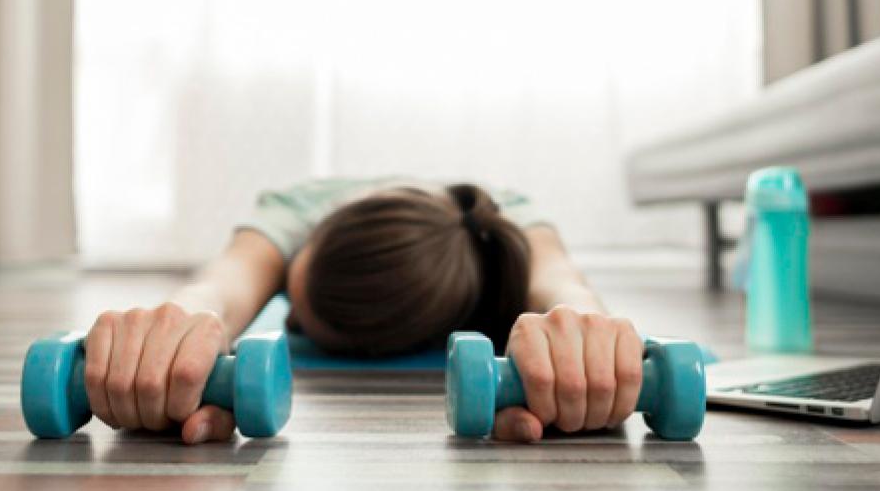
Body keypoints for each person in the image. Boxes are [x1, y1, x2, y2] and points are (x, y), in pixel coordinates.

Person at [82, 176, 644, 444]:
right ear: (315, 235)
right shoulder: (299, 208)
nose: (291, 320)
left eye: (296, 320)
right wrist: (176, 327)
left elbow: (562, 285)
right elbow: (223, 284)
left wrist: (582, 340)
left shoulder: (516, 224)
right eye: (295, 309)